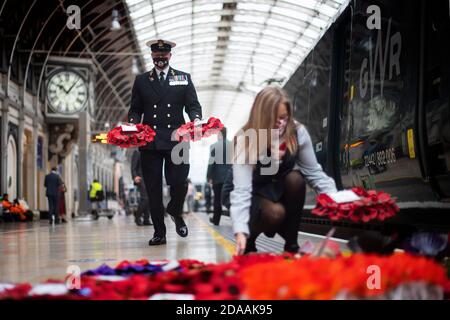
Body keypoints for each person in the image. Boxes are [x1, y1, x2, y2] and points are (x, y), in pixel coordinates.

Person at [231, 86, 337, 255]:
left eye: (283, 118)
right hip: (254, 195)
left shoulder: (297, 132)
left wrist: (338, 200)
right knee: (275, 213)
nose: (279, 124)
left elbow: (314, 173)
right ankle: (249, 239)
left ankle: (291, 243)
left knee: (296, 179)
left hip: (278, 189)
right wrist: (240, 231)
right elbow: (242, 190)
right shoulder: (245, 138)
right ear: (261, 117)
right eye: (272, 119)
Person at [128, 39, 202, 246]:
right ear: (151, 56)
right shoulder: (142, 80)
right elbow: (135, 109)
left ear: (170, 56)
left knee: (179, 182)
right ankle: (159, 232)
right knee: (152, 188)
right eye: (157, 56)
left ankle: (175, 211)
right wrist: (133, 123)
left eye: (164, 55)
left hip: (177, 138)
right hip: (150, 138)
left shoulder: (183, 78)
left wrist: (196, 119)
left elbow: (193, 105)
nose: (160, 59)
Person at [207, 127, 232, 225]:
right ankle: (235, 219)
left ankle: (216, 220)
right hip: (230, 176)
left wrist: (208, 176)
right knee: (231, 198)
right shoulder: (232, 145)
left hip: (217, 177)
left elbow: (211, 163)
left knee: (217, 198)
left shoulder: (214, 146)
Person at [131, 149, 152, 226]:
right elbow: (133, 166)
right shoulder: (137, 151)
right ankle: (137, 217)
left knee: (149, 199)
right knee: (145, 198)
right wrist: (134, 176)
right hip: (140, 178)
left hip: (149, 178)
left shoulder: (149, 151)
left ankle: (146, 219)